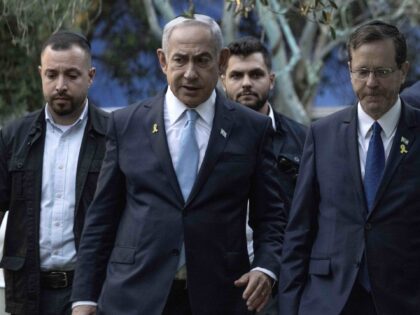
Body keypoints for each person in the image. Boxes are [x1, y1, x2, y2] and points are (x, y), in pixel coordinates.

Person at [71, 14, 286, 315]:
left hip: (220, 297)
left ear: (222, 60)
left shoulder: (252, 128)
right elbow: (101, 219)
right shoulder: (126, 124)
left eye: (202, 60)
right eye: (180, 60)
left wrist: (266, 268)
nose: (190, 73)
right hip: (133, 297)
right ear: (162, 61)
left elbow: (272, 217)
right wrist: (84, 298)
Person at [278, 20, 420, 315]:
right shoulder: (322, 134)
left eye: (382, 72)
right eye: (362, 72)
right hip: (328, 300)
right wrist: (290, 306)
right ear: (350, 71)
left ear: (403, 71)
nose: (371, 83)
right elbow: (299, 230)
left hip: (403, 299)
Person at [0, 31, 108, 315]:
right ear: (40, 74)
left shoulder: (113, 135)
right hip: (29, 292)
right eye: (51, 75)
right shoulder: (14, 136)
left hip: (94, 292)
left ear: (90, 75)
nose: (60, 85)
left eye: (72, 75)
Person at [221, 36, 307, 315]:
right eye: (236, 75)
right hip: (220, 282)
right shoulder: (207, 139)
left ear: (271, 79)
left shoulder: (304, 140)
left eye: (255, 74)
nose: (246, 82)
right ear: (223, 81)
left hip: (285, 283)